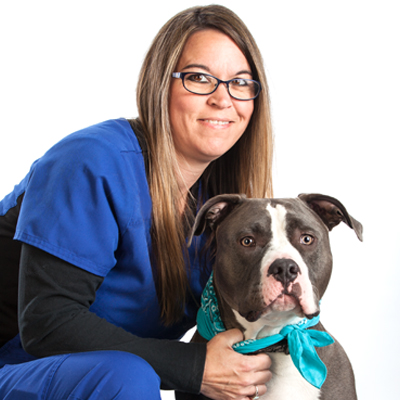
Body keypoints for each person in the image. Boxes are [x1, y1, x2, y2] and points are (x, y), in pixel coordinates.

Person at [0, 5, 274, 400]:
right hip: (15, 365)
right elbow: (47, 323)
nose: (222, 98)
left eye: (241, 83)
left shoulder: (221, 209)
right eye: (199, 78)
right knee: (127, 377)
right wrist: (192, 367)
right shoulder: (92, 161)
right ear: (160, 84)